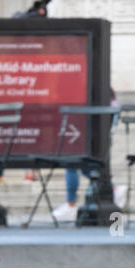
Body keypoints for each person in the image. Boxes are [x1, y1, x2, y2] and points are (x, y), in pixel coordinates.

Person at [51, 86, 127, 222]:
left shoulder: (98, 96)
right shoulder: (110, 100)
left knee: (72, 163)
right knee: (86, 168)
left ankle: (71, 204)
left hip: (91, 141)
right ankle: (114, 189)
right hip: (96, 141)